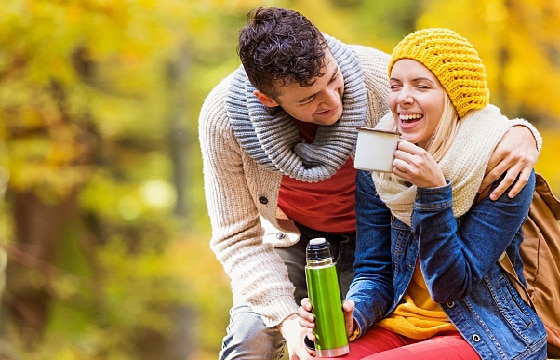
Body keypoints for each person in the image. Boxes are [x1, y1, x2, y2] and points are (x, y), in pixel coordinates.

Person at [198, 7, 542, 360]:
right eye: (309, 98)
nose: (333, 101)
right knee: (250, 342)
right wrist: (293, 321)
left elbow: (462, 103)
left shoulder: (376, 79)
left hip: (452, 306)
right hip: (299, 239)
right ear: (268, 99)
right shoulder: (225, 121)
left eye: (333, 79)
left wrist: (523, 133)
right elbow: (238, 236)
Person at [298, 28, 547, 359]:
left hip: (480, 334)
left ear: (454, 98)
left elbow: (450, 285)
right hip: (400, 327)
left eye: (422, 85)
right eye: (396, 85)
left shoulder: (499, 165)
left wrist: (434, 193)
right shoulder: (378, 156)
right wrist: (353, 317)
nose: (402, 97)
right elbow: (374, 271)